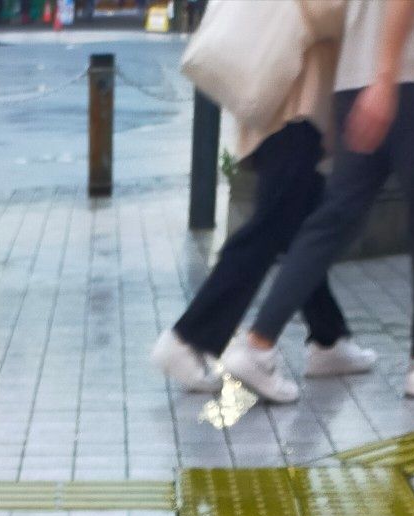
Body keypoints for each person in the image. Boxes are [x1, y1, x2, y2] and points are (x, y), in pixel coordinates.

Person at [230, 0, 414, 403]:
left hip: (354, 81)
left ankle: (257, 346)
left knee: (334, 218)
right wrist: (385, 79)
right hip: (411, 76)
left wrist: (361, 87)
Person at [151, 39, 375, 396]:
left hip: (283, 97)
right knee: (269, 230)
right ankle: (187, 338)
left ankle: (329, 339)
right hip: (292, 103)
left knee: (300, 228)